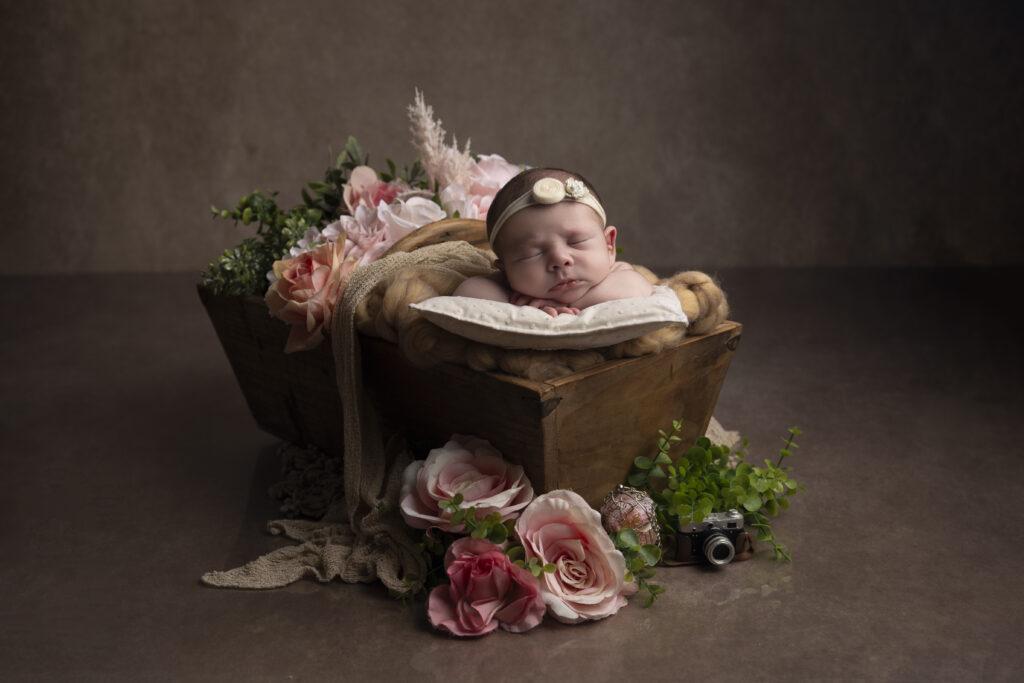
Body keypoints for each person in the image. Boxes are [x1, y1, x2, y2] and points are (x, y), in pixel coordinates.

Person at [453, 168, 653, 317]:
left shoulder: (617, 274)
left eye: (576, 241)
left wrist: (559, 305)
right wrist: (519, 308)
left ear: (609, 245)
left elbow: (634, 289)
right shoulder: (508, 289)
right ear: (505, 270)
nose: (559, 259)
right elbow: (467, 291)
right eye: (533, 253)